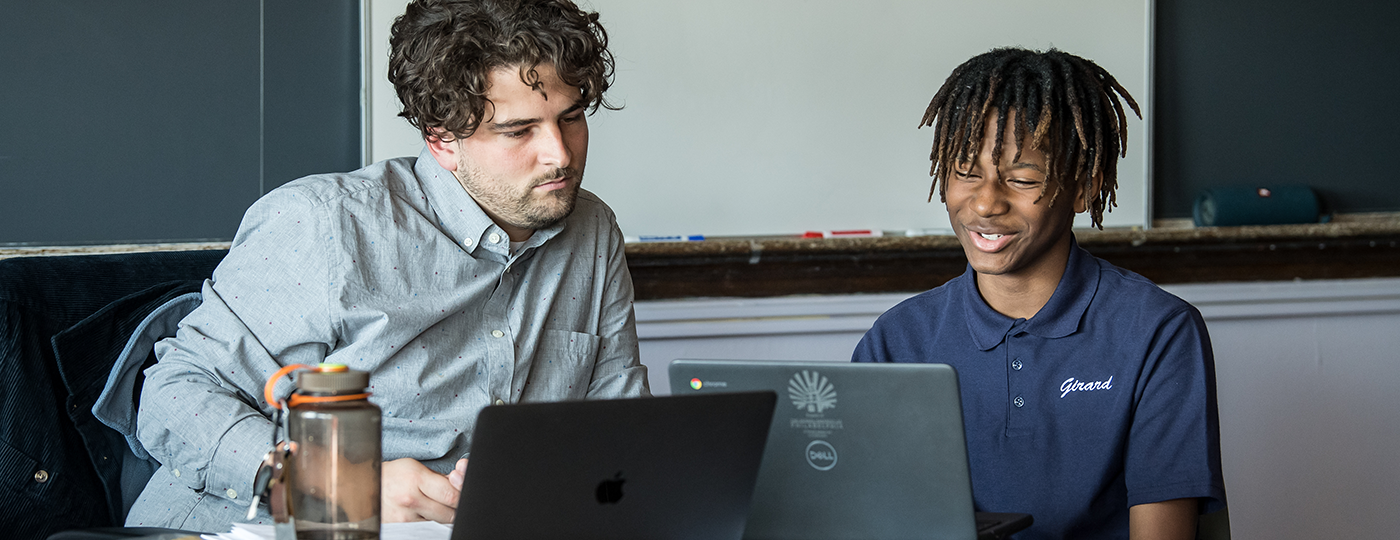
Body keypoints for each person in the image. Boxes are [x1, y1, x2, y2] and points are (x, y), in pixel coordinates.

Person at [127, 0, 648, 531]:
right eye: (519, 131)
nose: (560, 155)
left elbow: (616, 427)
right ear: (442, 138)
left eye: (572, 117)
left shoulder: (592, 230)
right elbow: (173, 400)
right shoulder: (326, 224)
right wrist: (343, 487)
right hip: (250, 527)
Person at [851, 48, 1226, 540]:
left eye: (1022, 178)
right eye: (965, 172)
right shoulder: (897, 342)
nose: (985, 201)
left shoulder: (1157, 331)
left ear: (1084, 188)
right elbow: (865, 517)